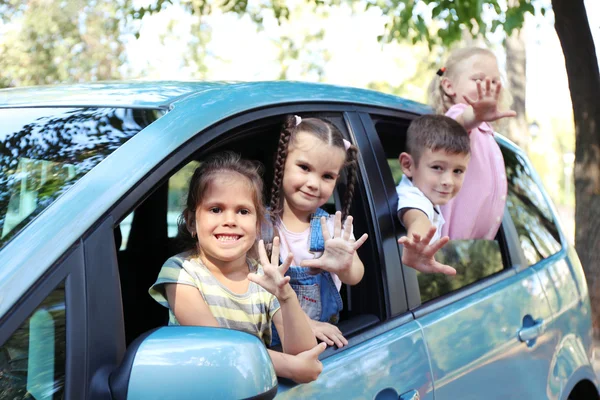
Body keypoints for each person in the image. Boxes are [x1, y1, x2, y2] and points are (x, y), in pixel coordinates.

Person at [149, 151, 326, 384]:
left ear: (257, 223)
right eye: (216, 209)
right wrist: (289, 367)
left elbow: (303, 353)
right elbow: (219, 346)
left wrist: (286, 297)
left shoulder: (263, 277)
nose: (230, 220)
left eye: (243, 211)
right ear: (192, 221)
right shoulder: (181, 271)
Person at [267, 115, 368, 349]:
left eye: (327, 176)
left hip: (320, 348)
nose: (314, 183)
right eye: (304, 168)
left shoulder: (333, 229)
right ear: (281, 162)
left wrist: (346, 264)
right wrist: (304, 323)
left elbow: (355, 276)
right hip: (270, 349)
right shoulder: (257, 223)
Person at [429, 47, 516, 241]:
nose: (489, 87)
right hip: (450, 245)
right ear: (449, 86)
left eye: (494, 81)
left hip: (476, 250)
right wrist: (475, 115)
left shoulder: (486, 132)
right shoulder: (457, 117)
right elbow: (458, 125)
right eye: (478, 80)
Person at [396, 114, 471, 275]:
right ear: (408, 165)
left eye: (458, 171)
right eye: (437, 167)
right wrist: (418, 241)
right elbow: (417, 217)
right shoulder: (412, 197)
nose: (448, 181)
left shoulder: (423, 192)